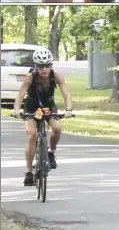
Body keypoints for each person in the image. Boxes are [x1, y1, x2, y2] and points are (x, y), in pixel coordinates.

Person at [11, 46, 74, 186]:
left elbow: (66, 94)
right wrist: (16, 110)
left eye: (47, 65)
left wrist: (68, 109)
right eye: (41, 66)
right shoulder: (30, 77)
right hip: (32, 107)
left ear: (51, 65)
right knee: (31, 135)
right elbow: (20, 95)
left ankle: (51, 152)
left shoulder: (56, 76)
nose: (44, 69)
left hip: (48, 107)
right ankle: (28, 172)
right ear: (36, 66)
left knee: (57, 128)